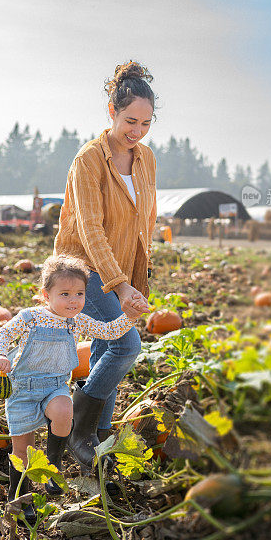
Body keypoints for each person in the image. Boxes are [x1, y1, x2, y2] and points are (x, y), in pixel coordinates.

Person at [54, 61, 157, 470]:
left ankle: (95, 440)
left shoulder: (147, 160)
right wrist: (117, 285)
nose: (137, 130)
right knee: (123, 344)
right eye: (130, 120)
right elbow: (91, 228)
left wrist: (134, 282)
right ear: (111, 112)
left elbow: (143, 224)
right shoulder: (89, 160)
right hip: (82, 270)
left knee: (103, 351)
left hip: (119, 274)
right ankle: (79, 427)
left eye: (146, 123)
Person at [0, 254, 141, 522]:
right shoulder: (30, 317)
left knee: (64, 411)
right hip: (22, 390)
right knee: (22, 450)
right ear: (45, 294)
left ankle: (53, 467)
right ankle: (19, 498)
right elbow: (2, 334)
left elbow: (109, 331)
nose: (74, 301)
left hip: (54, 386)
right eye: (65, 294)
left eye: (80, 294)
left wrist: (128, 316)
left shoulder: (77, 319)